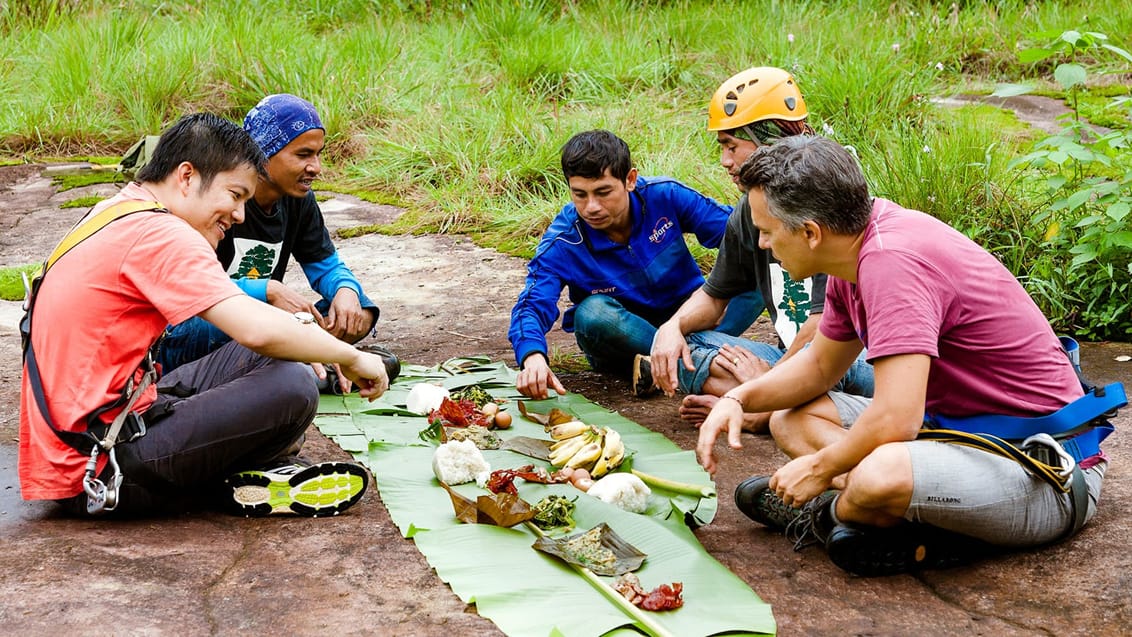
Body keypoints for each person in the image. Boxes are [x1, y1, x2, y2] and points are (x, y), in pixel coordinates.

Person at [697, 135, 1115, 576]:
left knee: (881, 474)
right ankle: (862, 510)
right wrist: (738, 400)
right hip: (956, 437)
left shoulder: (891, 264)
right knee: (790, 418)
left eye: (766, 231)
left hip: (1045, 469)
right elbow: (820, 366)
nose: (762, 244)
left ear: (810, 232)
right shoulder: (852, 251)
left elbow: (897, 419)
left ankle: (838, 515)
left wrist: (819, 469)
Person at [19, 113, 390, 518]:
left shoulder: (121, 209)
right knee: (293, 386)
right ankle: (237, 476)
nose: (240, 215)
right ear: (187, 176)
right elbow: (254, 328)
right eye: (234, 195)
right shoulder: (162, 234)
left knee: (286, 356)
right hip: (96, 470)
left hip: (106, 424)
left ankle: (245, 473)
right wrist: (350, 356)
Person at [647, 67, 873, 431]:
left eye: (731, 145)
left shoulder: (824, 196)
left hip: (851, 354)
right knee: (683, 348)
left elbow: (824, 329)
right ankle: (784, 403)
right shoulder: (748, 210)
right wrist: (670, 327)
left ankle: (763, 409)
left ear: (767, 140)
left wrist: (762, 388)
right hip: (790, 359)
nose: (724, 160)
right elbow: (715, 295)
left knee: (838, 364)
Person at [156, 94, 387, 393]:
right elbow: (189, 291)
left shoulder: (299, 202)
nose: (315, 167)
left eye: (318, 154)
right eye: (303, 155)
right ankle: (312, 365)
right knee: (249, 326)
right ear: (263, 154)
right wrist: (266, 290)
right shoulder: (219, 201)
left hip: (259, 318)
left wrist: (346, 290)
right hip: (204, 319)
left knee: (360, 310)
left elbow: (325, 264)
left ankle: (311, 360)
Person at [508, 129, 760, 399]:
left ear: (630, 179)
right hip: (622, 341)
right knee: (593, 314)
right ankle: (697, 361)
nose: (591, 206)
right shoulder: (563, 240)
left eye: (603, 192)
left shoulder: (665, 196)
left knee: (759, 268)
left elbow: (743, 233)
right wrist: (532, 356)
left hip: (689, 321)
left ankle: (676, 361)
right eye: (580, 194)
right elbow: (531, 305)